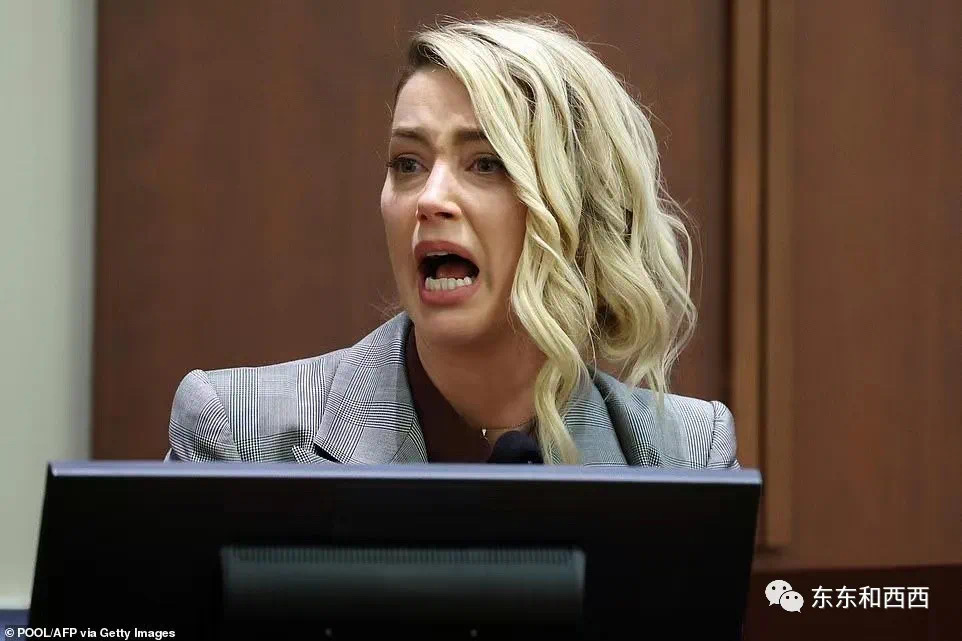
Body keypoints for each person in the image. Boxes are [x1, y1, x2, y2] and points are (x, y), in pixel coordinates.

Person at [167, 17, 739, 468]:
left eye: (486, 163)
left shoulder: (686, 453)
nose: (429, 198)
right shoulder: (237, 432)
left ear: (579, 206)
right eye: (408, 163)